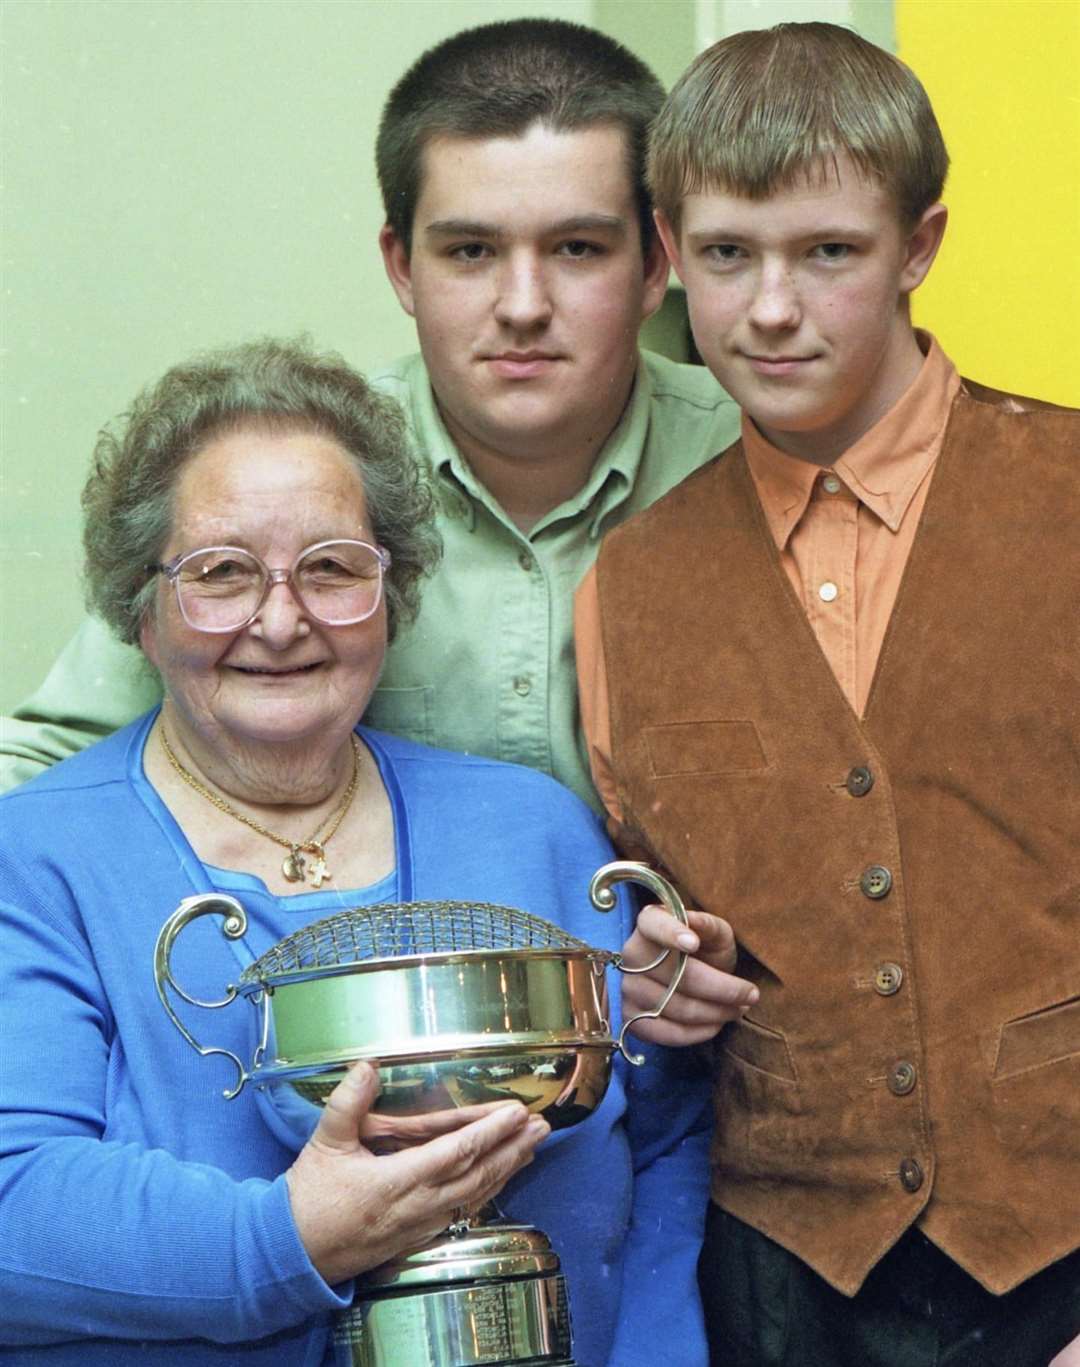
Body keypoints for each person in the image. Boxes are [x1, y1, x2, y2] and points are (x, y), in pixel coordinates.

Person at [0, 339, 712, 1366]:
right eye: (221, 573)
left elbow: (667, 1145)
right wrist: (289, 1239)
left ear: (392, 595)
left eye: (332, 569)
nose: (281, 620)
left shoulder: (537, 831)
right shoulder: (38, 859)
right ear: (142, 612)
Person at [575, 22, 1079, 1367]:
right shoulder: (627, 583)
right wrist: (663, 985)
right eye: (730, 255)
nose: (772, 308)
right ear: (672, 254)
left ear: (919, 246)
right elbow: (685, 907)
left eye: (829, 253)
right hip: (785, 1284)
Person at [0, 18, 740, 808]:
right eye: (470, 252)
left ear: (657, 265)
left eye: (577, 249)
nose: (523, 306)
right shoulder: (302, 473)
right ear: (402, 267)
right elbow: (54, 767)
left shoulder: (757, 464)